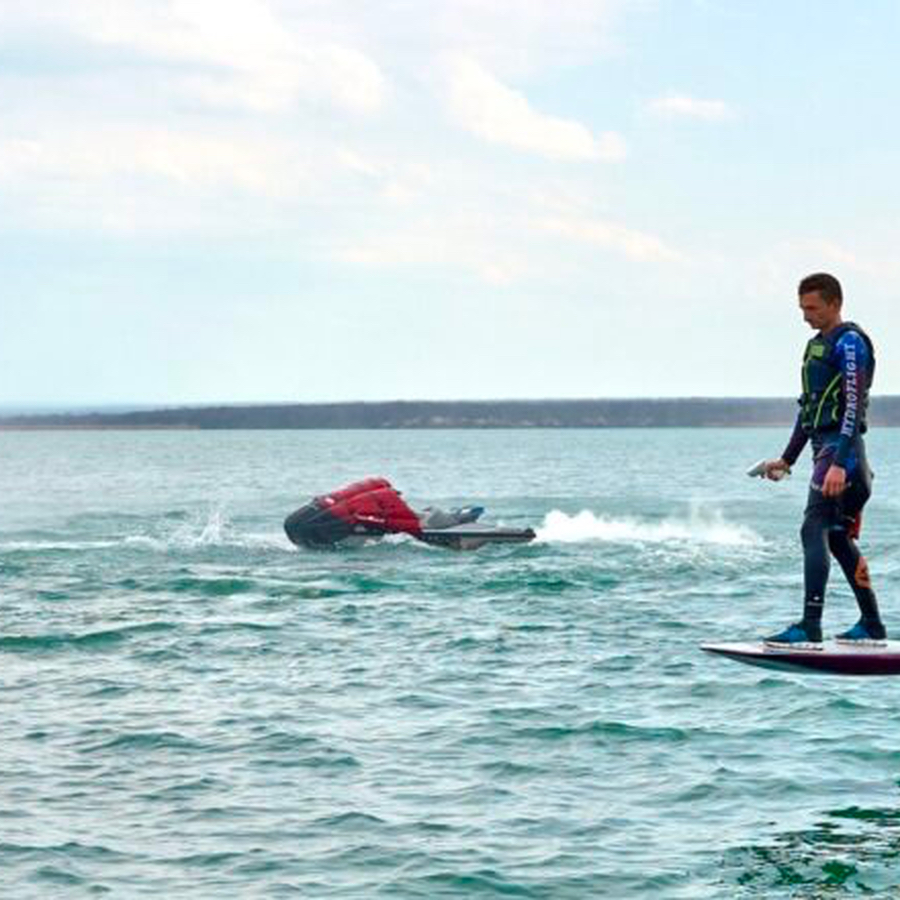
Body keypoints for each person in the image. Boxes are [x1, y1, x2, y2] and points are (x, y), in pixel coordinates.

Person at [763, 272, 886, 647]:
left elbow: (852, 407)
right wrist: (787, 459)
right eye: (801, 308)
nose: (805, 316)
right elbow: (808, 410)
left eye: (812, 308)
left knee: (812, 528)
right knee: (835, 537)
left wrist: (838, 463)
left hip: (842, 456)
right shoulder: (815, 346)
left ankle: (809, 627)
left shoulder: (850, 343)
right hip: (829, 453)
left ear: (835, 304)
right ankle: (872, 625)